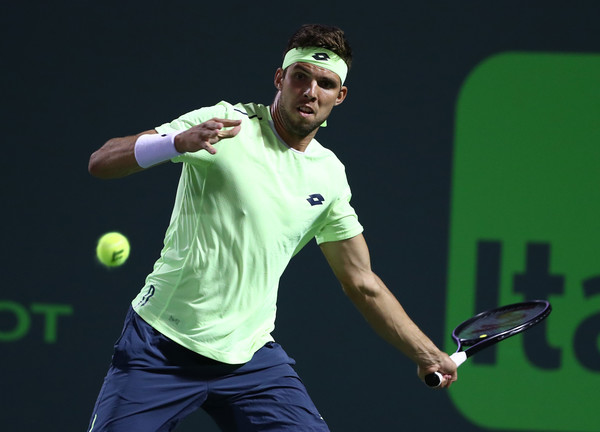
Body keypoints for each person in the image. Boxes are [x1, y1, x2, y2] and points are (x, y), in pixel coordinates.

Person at [87, 23, 457, 432]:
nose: (311, 91)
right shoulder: (225, 123)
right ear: (281, 78)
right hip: (160, 346)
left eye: (325, 83)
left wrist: (425, 352)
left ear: (340, 96)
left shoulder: (329, 175)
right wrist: (176, 142)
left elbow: (361, 280)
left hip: (250, 359)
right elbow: (102, 161)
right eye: (300, 77)